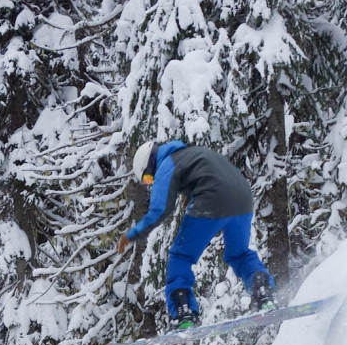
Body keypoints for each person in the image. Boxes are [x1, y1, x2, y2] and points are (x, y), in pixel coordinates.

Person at [116, 139, 275, 329]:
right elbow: (219, 175)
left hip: (211, 198)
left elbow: (160, 209)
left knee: (180, 257)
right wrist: (191, 194)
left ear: (150, 163)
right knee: (238, 254)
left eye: (149, 178)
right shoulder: (194, 153)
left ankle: (184, 314)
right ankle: (262, 291)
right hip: (243, 197)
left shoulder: (166, 163)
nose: (151, 182)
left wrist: (132, 235)